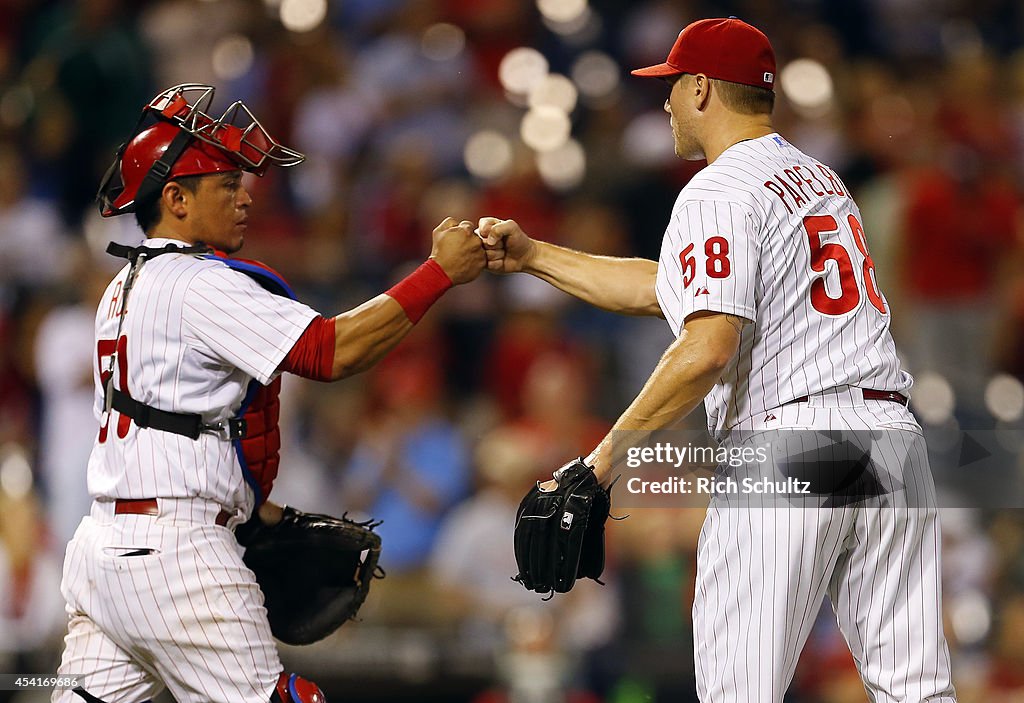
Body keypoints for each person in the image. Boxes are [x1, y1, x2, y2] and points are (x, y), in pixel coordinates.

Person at [480, 18, 957, 703]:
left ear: (701, 88)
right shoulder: (818, 178)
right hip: (889, 442)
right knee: (917, 691)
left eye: (672, 86)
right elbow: (672, 288)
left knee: (739, 691)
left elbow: (707, 345)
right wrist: (536, 255)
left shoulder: (717, 188)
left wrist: (601, 462)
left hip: (791, 441)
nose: (666, 101)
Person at [52, 84, 484, 703]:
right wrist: (439, 272)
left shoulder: (121, 287)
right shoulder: (196, 283)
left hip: (101, 554)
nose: (245, 195)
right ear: (174, 198)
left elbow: (174, 425)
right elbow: (330, 352)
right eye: (225, 185)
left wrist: (254, 511)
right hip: (176, 554)